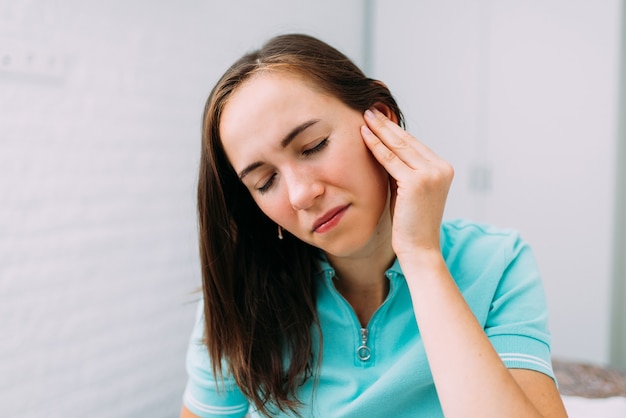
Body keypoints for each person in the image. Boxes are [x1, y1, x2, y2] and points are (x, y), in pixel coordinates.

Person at [180, 33, 567, 417]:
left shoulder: (497, 263)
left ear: (381, 120)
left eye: (313, 146)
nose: (300, 195)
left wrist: (421, 257)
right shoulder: (240, 297)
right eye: (265, 182)